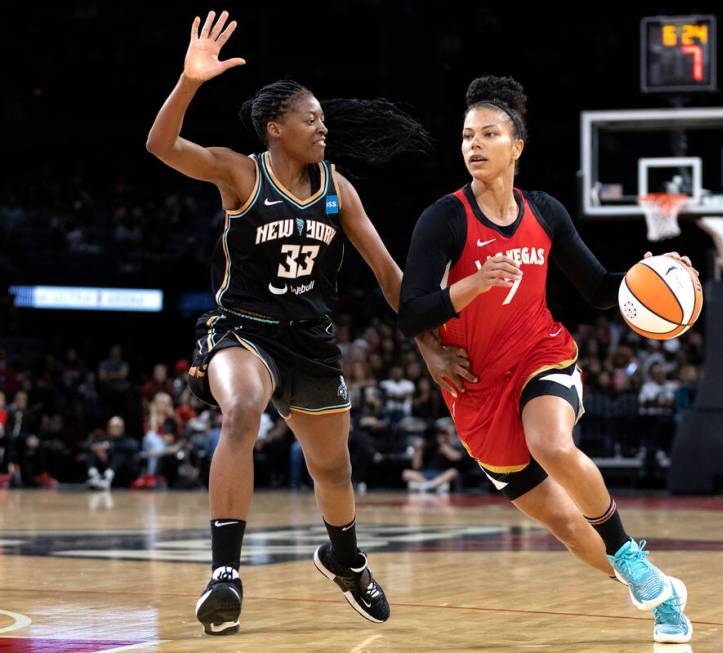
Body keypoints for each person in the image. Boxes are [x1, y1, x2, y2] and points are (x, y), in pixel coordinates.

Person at [146, 10, 469, 636]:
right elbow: (161, 147)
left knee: (334, 471)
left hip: (312, 341)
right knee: (241, 409)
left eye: (322, 117)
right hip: (242, 328)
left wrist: (427, 345)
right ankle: (225, 576)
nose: (323, 125)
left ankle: (344, 559)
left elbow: (387, 272)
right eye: (310, 117)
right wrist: (189, 81)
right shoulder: (241, 173)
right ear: (276, 129)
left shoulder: (337, 189)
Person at [399, 75, 693, 643]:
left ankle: (632, 557)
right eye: (466, 136)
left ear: (517, 146)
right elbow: (411, 313)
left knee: (551, 443)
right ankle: (655, 587)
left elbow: (600, 287)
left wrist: (657, 274)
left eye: (489, 133)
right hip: (477, 392)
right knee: (565, 525)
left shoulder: (546, 212)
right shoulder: (443, 218)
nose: (474, 145)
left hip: (541, 354)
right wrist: (471, 285)